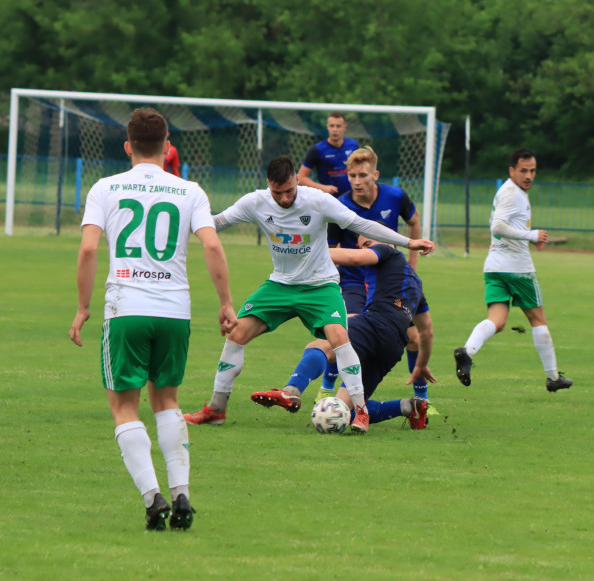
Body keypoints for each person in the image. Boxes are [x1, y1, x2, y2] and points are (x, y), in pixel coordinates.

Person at [69, 108, 237, 531]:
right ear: (167, 147)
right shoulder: (190, 191)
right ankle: (181, 494)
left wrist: (83, 307)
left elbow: (89, 250)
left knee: (124, 407)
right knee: (167, 402)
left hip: (126, 307)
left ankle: (152, 498)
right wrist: (226, 302)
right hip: (174, 311)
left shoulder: (105, 188)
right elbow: (213, 247)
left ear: (128, 146)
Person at [183, 155, 435, 433]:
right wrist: (186, 216)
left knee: (339, 338)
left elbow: (360, 224)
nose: (284, 198)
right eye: (277, 193)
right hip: (279, 285)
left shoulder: (316, 200)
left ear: (295, 181)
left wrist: (408, 242)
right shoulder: (255, 202)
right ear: (269, 185)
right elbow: (215, 224)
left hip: (320, 285)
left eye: (289, 190)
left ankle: (361, 411)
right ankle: (216, 409)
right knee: (236, 334)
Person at [251, 235, 434, 430]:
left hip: (374, 324)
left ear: (388, 240)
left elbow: (354, 258)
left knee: (320, 346)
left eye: (368, 244)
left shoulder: (387, 252)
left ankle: (291, 391)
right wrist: (421, 365)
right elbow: (427, 331)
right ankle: (410, 406)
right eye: (362, 245)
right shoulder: (416, 283)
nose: (364, 248)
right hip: (394, 345)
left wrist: (309, 254)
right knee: (341, 410)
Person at [453, 147, 572, 393]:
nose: (529, 175)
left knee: (497, 321)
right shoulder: (513, 193)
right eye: (523, 170)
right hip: (517, 269)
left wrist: (529, 237)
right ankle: (552, 377)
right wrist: (531, 235)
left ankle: (467, 351)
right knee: (538, 319)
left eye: (533, 171)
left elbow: (505, 225)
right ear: (512, 170)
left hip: (494, 267)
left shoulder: (510, 190)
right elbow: (498, 226)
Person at [320, 146, 428, 402]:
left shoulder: (395, 196)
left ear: (375, 175)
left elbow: (414, 222)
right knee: (347, 335)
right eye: (352, 176)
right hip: (354, 281)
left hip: (389, 281)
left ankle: (422, 399)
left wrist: (411, 264)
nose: (357, 181)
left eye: (363, 175)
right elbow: (332, 249)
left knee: (414, 337)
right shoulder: (341, 206)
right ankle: (327, 390)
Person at [296, 112, 359, 195]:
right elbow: (300, 177)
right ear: (327, 127)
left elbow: (360, 169)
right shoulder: (317, 149)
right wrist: (322, 188)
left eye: (338, 126)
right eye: (332, 126)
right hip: (329, 198)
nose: (335, 129)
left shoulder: (353, 145)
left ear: (345, 127)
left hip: (352, 196)